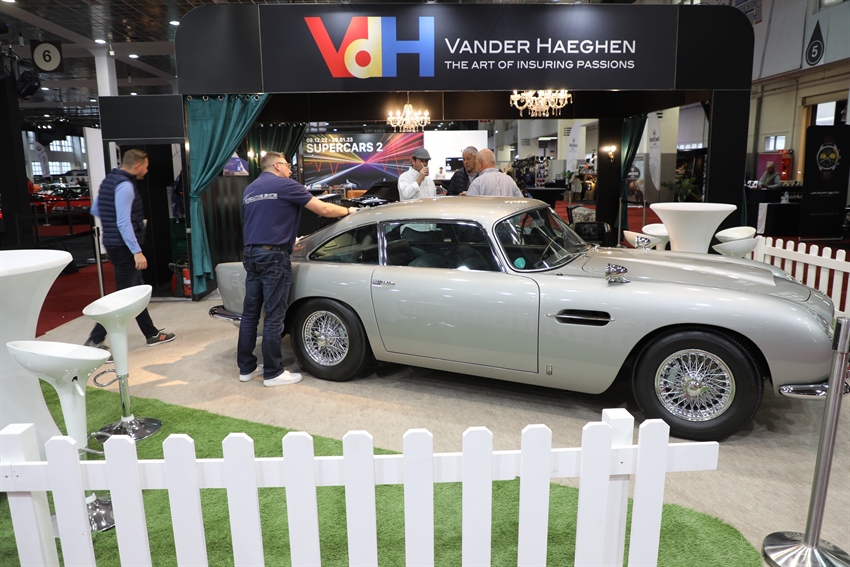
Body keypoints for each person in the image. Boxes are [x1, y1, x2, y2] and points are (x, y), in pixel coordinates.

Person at [238, 151, 358, 387]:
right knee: (274, 315)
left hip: (251, 254)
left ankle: (246, 368)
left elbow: (260, 221)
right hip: (273, 256)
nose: (290, 169)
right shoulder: (285, 185)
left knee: (250, 314)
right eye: (287, 165)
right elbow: (323, 210)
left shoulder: (250, 190)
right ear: (276, 165)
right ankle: (273, 372)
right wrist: (349, 211)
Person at [84, 149, 176, 351]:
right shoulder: (125, 186)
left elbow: (96, 209)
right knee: (123, 297)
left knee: (135, 291)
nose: (147, 170)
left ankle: (151, 333)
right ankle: (94, 340)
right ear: (138, 166)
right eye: (146, 166)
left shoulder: (110, 181)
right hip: (124, 247)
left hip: (113, 243)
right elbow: (123, 222)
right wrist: (136, 251)